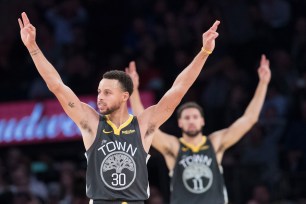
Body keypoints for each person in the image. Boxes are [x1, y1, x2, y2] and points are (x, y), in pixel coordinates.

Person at [18, 12, 220, 204]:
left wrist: (204, 52)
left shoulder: (142, 125)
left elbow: (179, 89)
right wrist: (33, 48)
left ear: (125, 97)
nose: (100, 97)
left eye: (107, 92)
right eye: (99, 92)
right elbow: (57, 86)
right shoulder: (91, 122)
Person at [126, 54, 271, 204]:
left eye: (195, 117)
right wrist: (135, 91)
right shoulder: (175, 147)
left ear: (202, 121)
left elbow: (249, 119)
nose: (191, 121)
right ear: (180, 123)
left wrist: (263, 83)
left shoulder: (214, 143)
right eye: (187, 118)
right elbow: (146, 126)